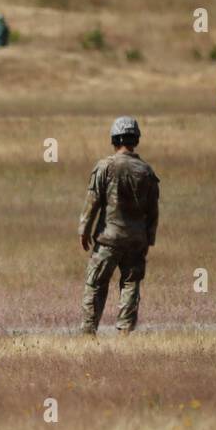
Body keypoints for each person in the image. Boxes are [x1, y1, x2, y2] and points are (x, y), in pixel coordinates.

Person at [78, 116, 160, 335]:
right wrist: (149, 238)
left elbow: (92, 202)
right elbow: (153, 211)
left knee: (95, 283)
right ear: (136, 139)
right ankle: (125, 331)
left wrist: (84, 231)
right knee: (131, 284)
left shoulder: (105, 166)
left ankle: (88, 332)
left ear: (114, 139)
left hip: (108, 238)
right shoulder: (146, 171)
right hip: (136, 239)